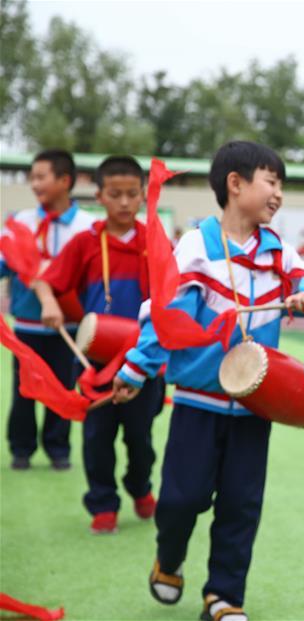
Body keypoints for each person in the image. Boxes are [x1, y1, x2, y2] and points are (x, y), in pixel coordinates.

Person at [111, 141, 304, 621]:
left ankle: (223, 596)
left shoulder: (279, 251)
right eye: (270, 181)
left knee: (241, 505)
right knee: (181, 498)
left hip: (257, 402)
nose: (278, 193)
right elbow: (166, 315)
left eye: (281, 184)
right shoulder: (196, 246)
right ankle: (169, 558)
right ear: (235, 184)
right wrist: (137, 367)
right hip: (198, 400)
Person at [32, 156, 164, 534]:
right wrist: (49, 302)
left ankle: (140, 487)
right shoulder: (85, 243)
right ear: (99, 196)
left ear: (142, 196)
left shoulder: (153, 243)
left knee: (141, 439)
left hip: (142, 359)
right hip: (92, 361)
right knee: (96, 438)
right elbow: (45, 281)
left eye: (131, 194)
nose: (124, 202)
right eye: (114, 194)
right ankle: (103, 501)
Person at [0, 149, 95, 471]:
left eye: (41, 177)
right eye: (32, 177)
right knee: (24, 389)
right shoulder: (20, 222)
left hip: (67, 326)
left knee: (62, 388)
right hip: (27, 325)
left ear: (64, 181)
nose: (34, 183)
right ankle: (21, 448)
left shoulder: (88, 226)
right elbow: (4, 264)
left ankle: (58, 448)